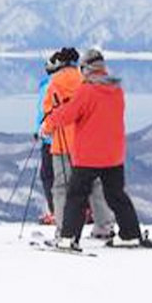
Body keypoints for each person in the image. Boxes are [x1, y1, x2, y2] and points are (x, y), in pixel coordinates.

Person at [47, 49, 152, 250]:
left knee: (76, 196)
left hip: (89, 155)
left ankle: (68, 238)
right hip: (114, 155)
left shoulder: (86, 90)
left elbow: (67, 115)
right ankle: (130, 234)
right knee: (116, 195)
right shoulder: (116, 90)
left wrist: (52, 118)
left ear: (86, 68)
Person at [40, 47, 115, 240]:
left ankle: (65, 232)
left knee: (61, 188)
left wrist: (44, 130)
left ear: (58, 64)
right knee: (96, 186)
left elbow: (51, 113)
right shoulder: (87, 81)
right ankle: (104, 227)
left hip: (63, 144)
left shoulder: (53, 83)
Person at [35, 59, 55, 225]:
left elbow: (43, 111)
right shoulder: (77, 81)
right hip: (73, 140)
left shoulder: (48, 86)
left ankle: (56, 212)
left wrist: (39, 130)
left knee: (48, 176)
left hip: (50, 137)